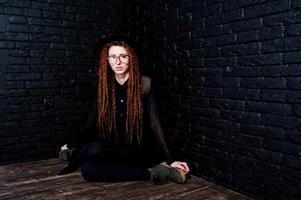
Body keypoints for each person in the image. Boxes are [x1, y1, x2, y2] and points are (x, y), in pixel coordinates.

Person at [58, 36, 189, 183]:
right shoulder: (104, 87)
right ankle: (157, 173)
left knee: (94, 149)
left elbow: (155, 124)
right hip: (114, 148)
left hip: (140, 150)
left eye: (123, 56)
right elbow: (90, 122)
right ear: (106, 61)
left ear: (131, 58)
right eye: (113, 57)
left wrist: (171, 159)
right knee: (88, 170)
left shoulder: (145, 83)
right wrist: (71, 143)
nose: (118, 62)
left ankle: (75, 154)